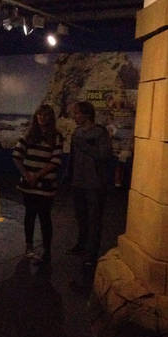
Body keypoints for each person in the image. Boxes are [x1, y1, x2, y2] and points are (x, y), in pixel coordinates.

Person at [12, 105, 64, 264]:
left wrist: (37, 176)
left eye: (46, 115)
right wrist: (27, 175)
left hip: (45, 184)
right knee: (29, 215)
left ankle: (46, 249)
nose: (42, 117)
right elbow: (17, 155)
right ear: (36, 116)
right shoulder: (28, 135)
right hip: (29, 183)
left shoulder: (56, 136)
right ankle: (29, 247)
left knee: (44, 217)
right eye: (40, 114)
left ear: (51, 117)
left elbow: (55, 161)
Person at [66, 101, 113, 263]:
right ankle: (81, 244)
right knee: (81, 216)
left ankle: (91, 253)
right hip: (78, 181)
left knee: (94, 219)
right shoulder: (77, 132)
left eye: (77, 113)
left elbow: (104, 155)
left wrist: (85, 146)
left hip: (94, 183)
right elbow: (72, 157)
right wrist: (68, 176)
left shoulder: (100, 133)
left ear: (87, 115)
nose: (74, 117)